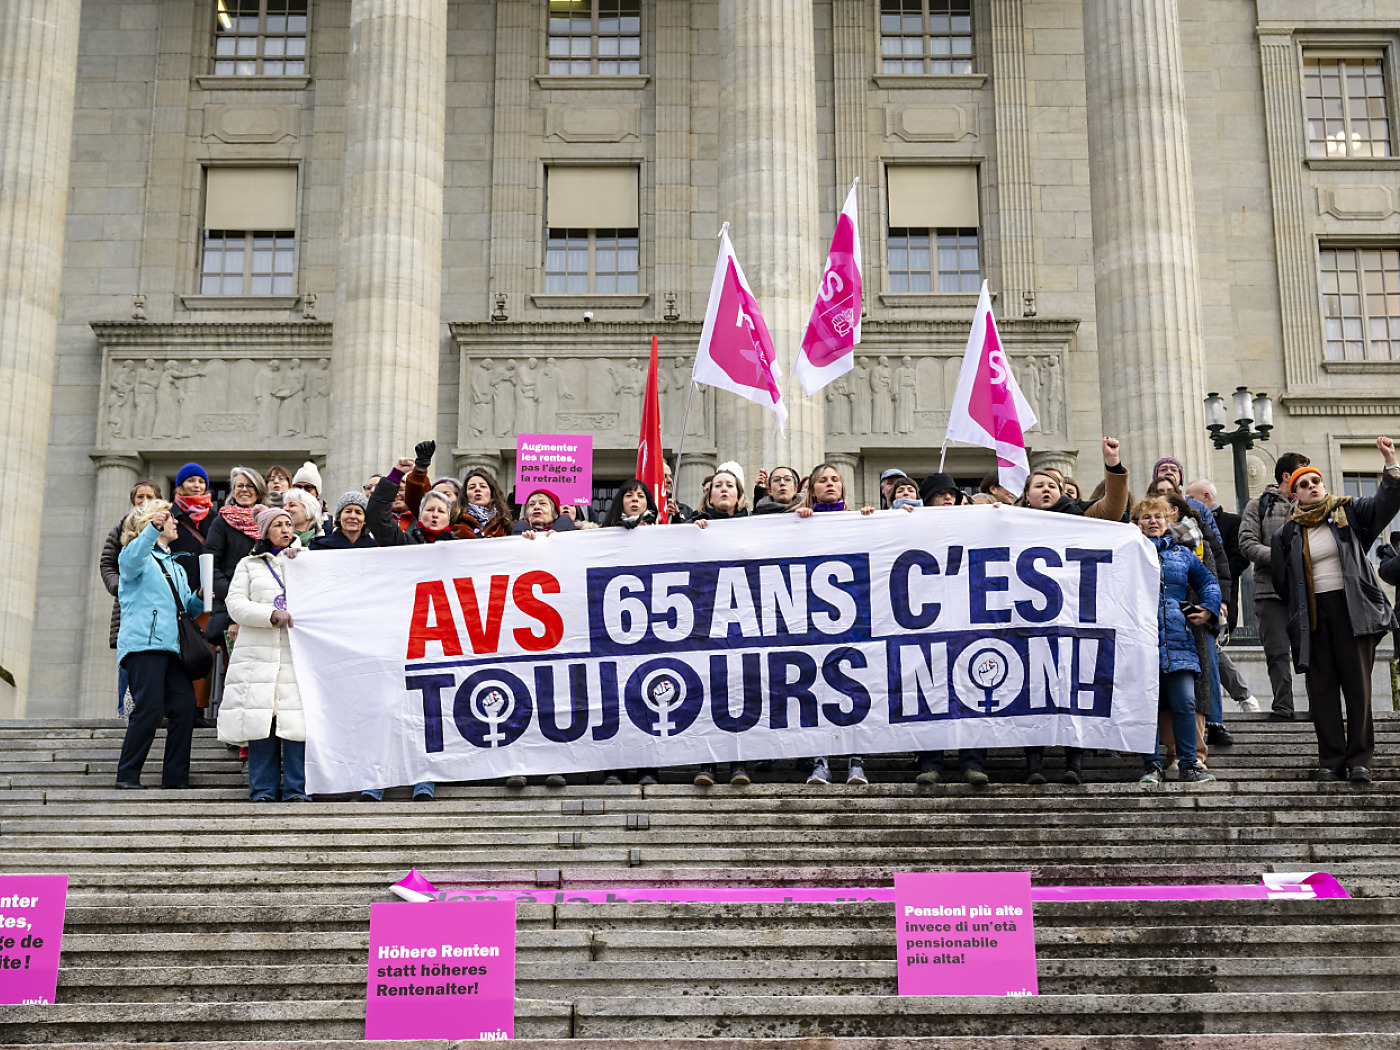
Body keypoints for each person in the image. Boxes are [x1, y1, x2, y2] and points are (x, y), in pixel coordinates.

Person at [1272, 439, 1400, 784]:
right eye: (1303, 484)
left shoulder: (1348, 513)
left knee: (1358, 689)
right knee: (1323, 692)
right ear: (1293, 495)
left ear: (1323, 486)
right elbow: (1284, 583)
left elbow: (1385, 504)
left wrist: (1390, 463)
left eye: (1316, 482)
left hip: (1352, 612)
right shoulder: (1287, 534)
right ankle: (1330, 760)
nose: (1312, 487)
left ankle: (1360, 760)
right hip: (1313, 617)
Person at [1016, 437, 1128, 784]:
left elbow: (1114, 509)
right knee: (1031, 693)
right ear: (1027, 494)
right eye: (1039, 485)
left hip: (1073, 620)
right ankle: (1034, 766)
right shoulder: (1010, 521)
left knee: (1072, 690)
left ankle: (1073, 765)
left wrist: (1112, 465)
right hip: (1026, 622)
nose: (1047, 489)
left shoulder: (1080, 515)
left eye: (1052, 484)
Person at [217, 506, 311, 802]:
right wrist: (269, 614)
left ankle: (298, 789)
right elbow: (235, 604)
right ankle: (262, 789)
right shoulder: (249, 564)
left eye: (288, 524)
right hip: (258, 655)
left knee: (296, 724)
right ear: (265, 531)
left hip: (297, 655)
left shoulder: (307, 561)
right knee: (262, 721)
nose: (286, 529)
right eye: (278, 525)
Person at [114, 501, 205, 789]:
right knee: (149, 708)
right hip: (144, 645)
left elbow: (187, 609)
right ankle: (127, 775)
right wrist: (152, 529)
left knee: (186, 706)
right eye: (169, 518)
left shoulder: (175, 566)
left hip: (173, 649)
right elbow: (129, 565)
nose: (176, 522)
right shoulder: (135, 555)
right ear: (151, 523)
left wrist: (201, 596)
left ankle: (175, 778)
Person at [796, 463, 874, 787]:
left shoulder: (860, 520)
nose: (829, 484)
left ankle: (857, 763)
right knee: (817, 690)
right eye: (822, 481)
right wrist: (795, 524)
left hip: (855, 621)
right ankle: (821, 763)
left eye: (835, 480)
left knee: (857, 689)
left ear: (843, 487)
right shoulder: (799, 524)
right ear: (811, 489)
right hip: (813, 622)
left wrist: (874, 521)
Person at [1134, 496, 1222, 784]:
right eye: (1146, 517)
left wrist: (1208, 608)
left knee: (1185, 702)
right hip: (1140, 642)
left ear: (1168, 520)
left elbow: (1208, 581)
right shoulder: (1128, 554)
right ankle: (1152, 766)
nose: (1153, 521)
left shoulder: (1182, 554)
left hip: (1178, 641)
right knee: (1146, 706)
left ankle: (1188, 765)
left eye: (1158, 516)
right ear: (1137, 524)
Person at [1238, 451, 1311, 721]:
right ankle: (1283, 708)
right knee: (1277, 653)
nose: (1309, 481)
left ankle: (1319, 708)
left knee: (1311, 653)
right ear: (1286, 477)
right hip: (1269, 592)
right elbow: (1246, 544)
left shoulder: (1314, 506)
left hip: (1308, 593)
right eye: (1302, 474)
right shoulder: (1257, 505)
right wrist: (1282, 558)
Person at [1186, 478, 1260, 713]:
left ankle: (1240, 698)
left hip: (1213, 598)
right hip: (1188, 596)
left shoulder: (1231, 522)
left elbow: (1237, 560)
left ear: (1206, 497)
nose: (1187, 502)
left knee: (1212, 650)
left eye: (1192, 497)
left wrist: (1217, 591)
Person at [100, 478, 161, 714]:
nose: (144, 502)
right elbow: (107, 563)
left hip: (159, 604)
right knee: (128, 657)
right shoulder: (121, 528)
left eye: (149, 497)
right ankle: (124, 710)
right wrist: (120, 587)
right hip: (129, 605)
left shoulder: (166, 526)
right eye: (140, 497)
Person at [203, 467, 269, 672]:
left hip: (264, 606)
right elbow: (210, 564)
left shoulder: (269, 521)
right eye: (239, 486)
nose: (244, 490)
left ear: (259, 491)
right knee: (236, 676)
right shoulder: (221, 521)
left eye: (250, 486)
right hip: (230, 609)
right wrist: (235, 596)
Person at [369, 458, 464, 545]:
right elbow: (377, 514)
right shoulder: (403, 541)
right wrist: (396, 474)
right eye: (430, 510)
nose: (435, 514)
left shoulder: (460, 545)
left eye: (441, 511)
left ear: (448, 519)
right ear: (419, 517)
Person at [311, 491, 379, 550]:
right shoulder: (320, 547)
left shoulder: (376, 548)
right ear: (339, 517)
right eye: (348, 511)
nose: (352, 516)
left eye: (358, 512)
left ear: (365, 520)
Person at [510, 488, 578, 536]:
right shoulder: (518, 535)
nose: (536, 507)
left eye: (543, 503)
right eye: (531, 504)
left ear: (555, 514)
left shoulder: (575, 535)